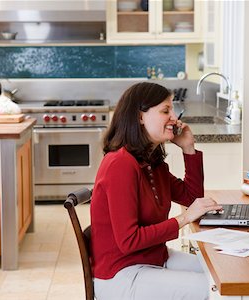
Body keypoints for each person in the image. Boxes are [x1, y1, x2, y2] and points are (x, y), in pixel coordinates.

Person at [90, 82, 223, 300]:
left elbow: (192, 198)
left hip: (152, 258)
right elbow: (129, 240)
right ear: (140, 116)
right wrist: (184, 218)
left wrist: (189, 149)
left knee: (221, 270)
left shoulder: (150, 162)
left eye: (172, 109)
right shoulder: (120, 164)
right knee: (215, 289)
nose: (174, 116)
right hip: (122, 274)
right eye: (165, 110)